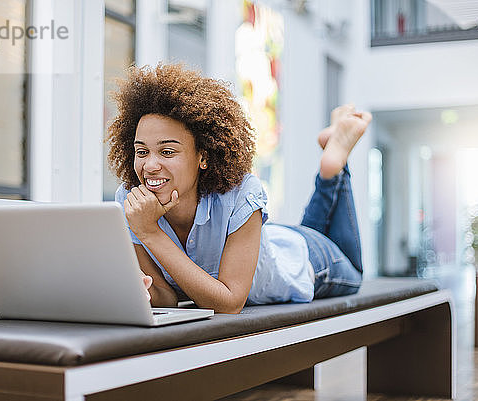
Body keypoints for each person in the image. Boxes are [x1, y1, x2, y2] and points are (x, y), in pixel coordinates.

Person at [107, 63, 371, 314]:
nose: (150, 165)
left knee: (355, 272)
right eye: (141, 151)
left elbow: (230, 303)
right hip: (267, 239)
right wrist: (140, 293)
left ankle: (334, 167)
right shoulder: (131, 200)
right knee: (306, 230)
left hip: (308, 261)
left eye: (167, 151)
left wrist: (150, 232)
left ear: (203, 156)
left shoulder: (241, 192)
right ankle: (332, 160)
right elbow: (168, 298)